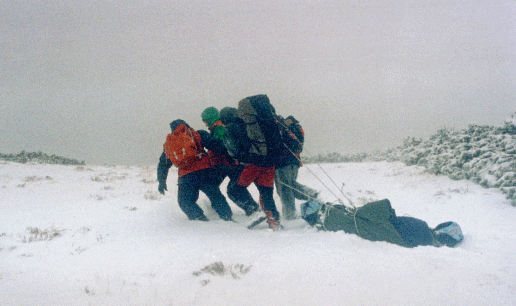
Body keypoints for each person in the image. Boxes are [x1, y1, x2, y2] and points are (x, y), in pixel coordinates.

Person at [157, 119, 233, 221]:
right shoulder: (197, 134)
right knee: (215, 195)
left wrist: (161, 181)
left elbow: (163, 164)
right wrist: (231, 152)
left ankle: (199, 220)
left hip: (185, 177)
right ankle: (227, 217)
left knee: (185, 202)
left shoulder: (171, 143)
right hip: (204, 172)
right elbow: (215, 145)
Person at [220, 106, 281, 231]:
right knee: (265, 194)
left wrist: (238, 157)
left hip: (251, 163)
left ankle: (254, 212)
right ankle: (274, 222)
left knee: (234, 190)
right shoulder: (249, 124)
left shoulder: (230, 127)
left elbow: (233, 148)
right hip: (268, 162)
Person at [200, 107, 260, 216]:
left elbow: (221, 146)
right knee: (234, 188)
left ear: (210, 118)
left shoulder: (218, 127)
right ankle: (251, 208)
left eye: (205, 120)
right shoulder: (219, 126)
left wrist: (206, 141)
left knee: (227, 188)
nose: (205, 124)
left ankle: (252, 209)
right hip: (228, 164)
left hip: (226, 164)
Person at [275, 115, 319, 220]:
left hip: (283, 162)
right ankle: (312, 196)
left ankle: (290, 216)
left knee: (286, 189)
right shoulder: (292, 127)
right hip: (293, 162)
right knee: (289, 186)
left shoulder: (281, 127)